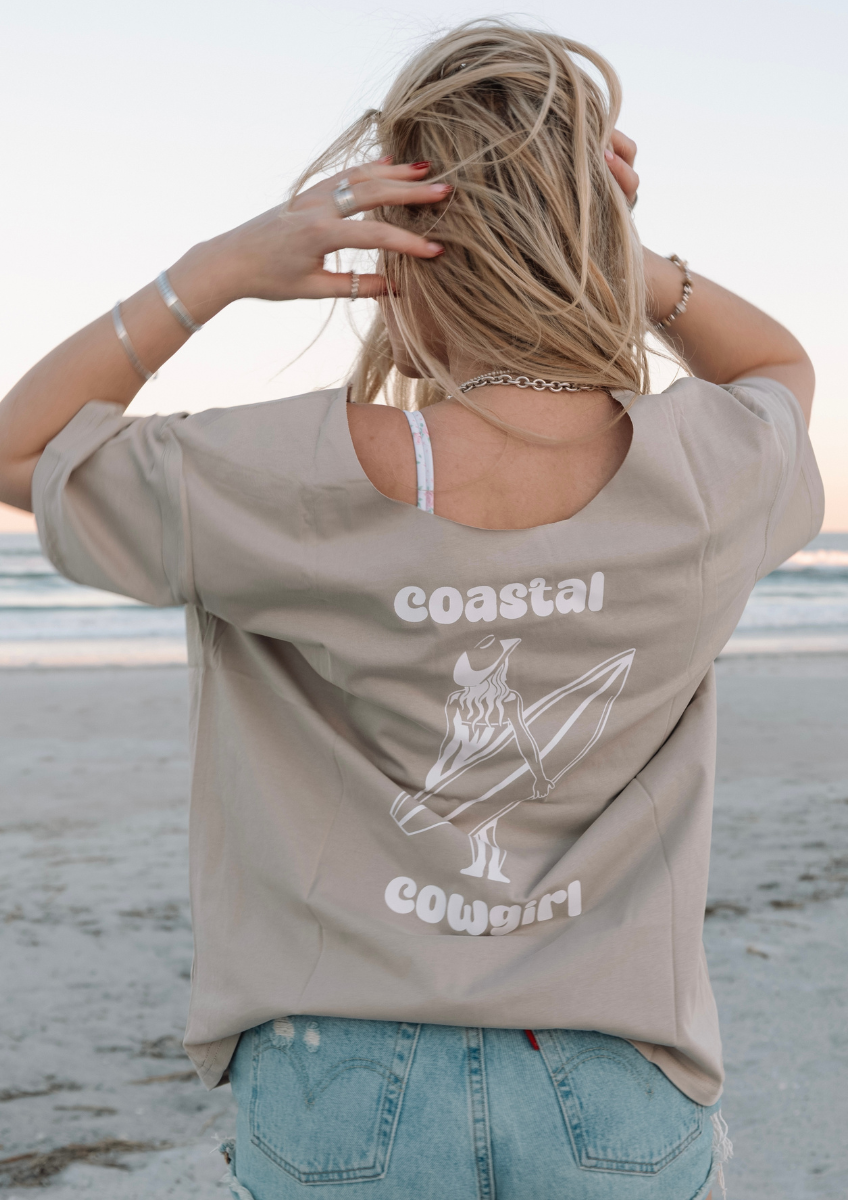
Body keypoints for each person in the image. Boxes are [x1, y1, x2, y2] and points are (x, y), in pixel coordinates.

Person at [0, 19, 821, 1200]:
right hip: (614, 1083)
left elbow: (21, 449)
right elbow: (779, 369)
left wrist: (216, 270)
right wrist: (615, 258)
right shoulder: (709, 467)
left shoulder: (279, 477)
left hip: (336, 1083)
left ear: (404, 259)